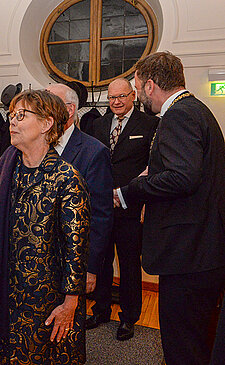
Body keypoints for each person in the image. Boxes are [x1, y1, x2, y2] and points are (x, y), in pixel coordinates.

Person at [0, 89, 91, 364]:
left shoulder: (66, 178)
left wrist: (70, 304)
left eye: (21, 115)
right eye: (11, 115)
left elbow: (75, 250)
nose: (12, 121)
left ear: (46, 124)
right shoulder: (6, 164)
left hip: (46, 298)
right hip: (6, 288)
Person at [118, 51, 225, 365]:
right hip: (202, 251)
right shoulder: (196, 110)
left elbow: (183, 178)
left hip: (188, 255)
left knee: (183, 347)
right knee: (199, 341)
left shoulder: (179, 114)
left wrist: (133, 189)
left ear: (150, 86)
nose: (140, 98)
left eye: (138, 90)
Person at [84, 78, 159, 340]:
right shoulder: (98, 124)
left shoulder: (150, 124)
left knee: (128, 266)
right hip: (101, 208)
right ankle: (100, 309)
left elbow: (153, 166)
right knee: (101, 262)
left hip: (130, 207)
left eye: (121, 97)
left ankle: (129, 317)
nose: (116, 102)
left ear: (133, 95)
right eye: (112, 97)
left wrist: (129, 196)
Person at [46, 84, 114, 295]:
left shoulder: (94, 152)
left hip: (72, 261)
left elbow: (100, 215)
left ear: (70, 110)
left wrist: (91, 268)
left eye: (49, 104)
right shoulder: (35, 147)